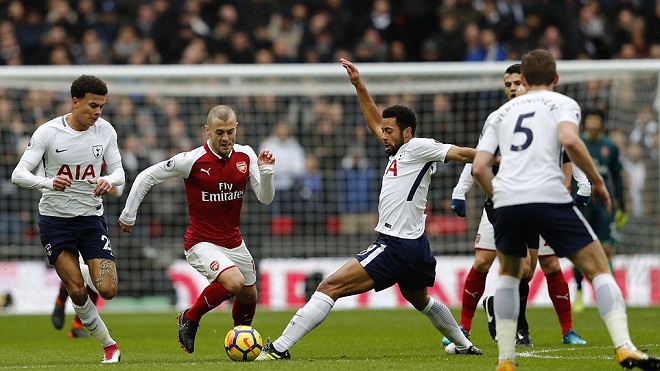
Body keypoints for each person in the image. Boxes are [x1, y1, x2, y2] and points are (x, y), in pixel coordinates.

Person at [255, 58, 482, 361]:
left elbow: (463, 153)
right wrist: (359, 85)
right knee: (420, 299)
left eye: (389, 131)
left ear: (407, 133)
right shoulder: (401, 149)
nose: (382, 135)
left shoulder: (418, 147)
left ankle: (279, 349)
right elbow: (374, 121)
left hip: (395, 244)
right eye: (383, 131)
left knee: (329, 286)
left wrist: (505, 159)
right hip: (416, 245)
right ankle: (465, 346)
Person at [472, 49, 660, 371]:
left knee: (507, 275)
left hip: (509, 200)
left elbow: (478, 167)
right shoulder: (563, 104)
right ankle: (625, 347)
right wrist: (598, 181)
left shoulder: (500, 115)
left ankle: (505, 359)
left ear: (525, 80)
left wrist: (499, 196)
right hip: (547, 195)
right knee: (598, 266)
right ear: (556, 79)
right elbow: (570, 140)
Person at [443, 64, 587, 347]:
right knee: (484, 261)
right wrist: (460, 191)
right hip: (499, 200)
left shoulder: (546, 115)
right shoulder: (498, 118)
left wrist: (583, 184)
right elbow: (478, 156)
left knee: (539, 266)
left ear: (526, 83)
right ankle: (465, 326)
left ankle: (561, 330)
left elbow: (566, 150)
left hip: (540, 198)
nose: (511, 88)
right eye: (507, 83)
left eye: (516, 83)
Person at [118, 105, 275, 354]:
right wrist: (128, 214)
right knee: (234, 282)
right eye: (220, 132)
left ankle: (240, 346)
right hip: (201, 242)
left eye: (230, 132)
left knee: (248, 295)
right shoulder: (191, 160)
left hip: (234, 241)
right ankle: (190, 318)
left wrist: (266, 172)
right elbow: (146, 176)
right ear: (207, 131)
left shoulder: (245, 155)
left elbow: (265, 198)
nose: (226, 138)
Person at [11, 75, 124, 364]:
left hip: (90, 218)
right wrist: (47, 183)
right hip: (55, 220)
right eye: (92, 105)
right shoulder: (48, 133)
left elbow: (119, 174)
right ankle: (109, 346)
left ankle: (83, 270)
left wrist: (107, 181)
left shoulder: (105, 131)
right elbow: (19, 174)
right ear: (75, 102)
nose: (98, 112)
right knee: (75, 289)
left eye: (101, 106)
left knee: (108, 290)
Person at [572, 108, 626, 313]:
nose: (593, 125)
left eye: (596, 121)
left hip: (604, 203)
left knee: (607, 249)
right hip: (582, 202)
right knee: (580, 249)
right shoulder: (577, 144)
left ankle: (610, 294)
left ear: (601, 124)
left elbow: (617, 176)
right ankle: (578, 291)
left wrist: (622, 205)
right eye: (590, 121)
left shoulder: (610, 147)